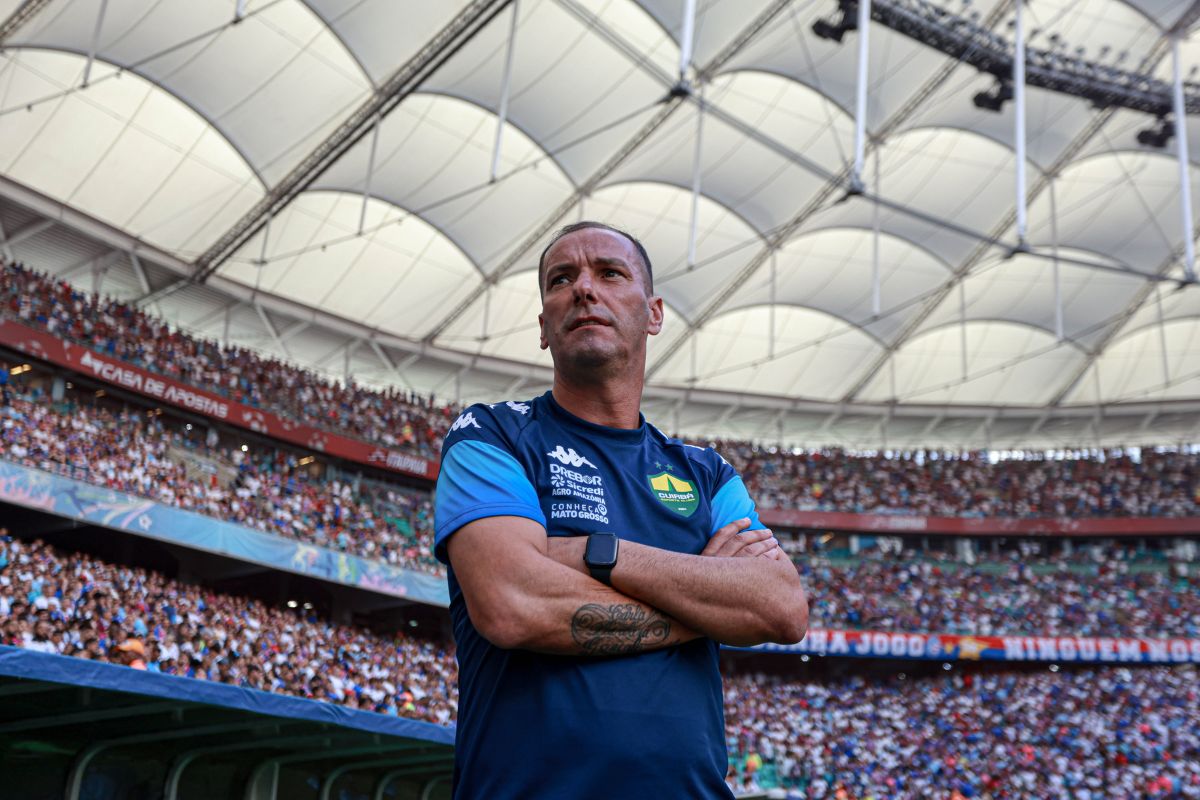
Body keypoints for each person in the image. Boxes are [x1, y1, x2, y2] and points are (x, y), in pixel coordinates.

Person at [434, 221, 808, 798]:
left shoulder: (706, 474)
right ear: (542, 327)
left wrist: (596, 552)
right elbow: (514, 604)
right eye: (562, 279)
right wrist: (707, 600)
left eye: (610, 273)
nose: (584, 288)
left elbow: (782, 608)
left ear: (653, 314)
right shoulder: (491, 434)